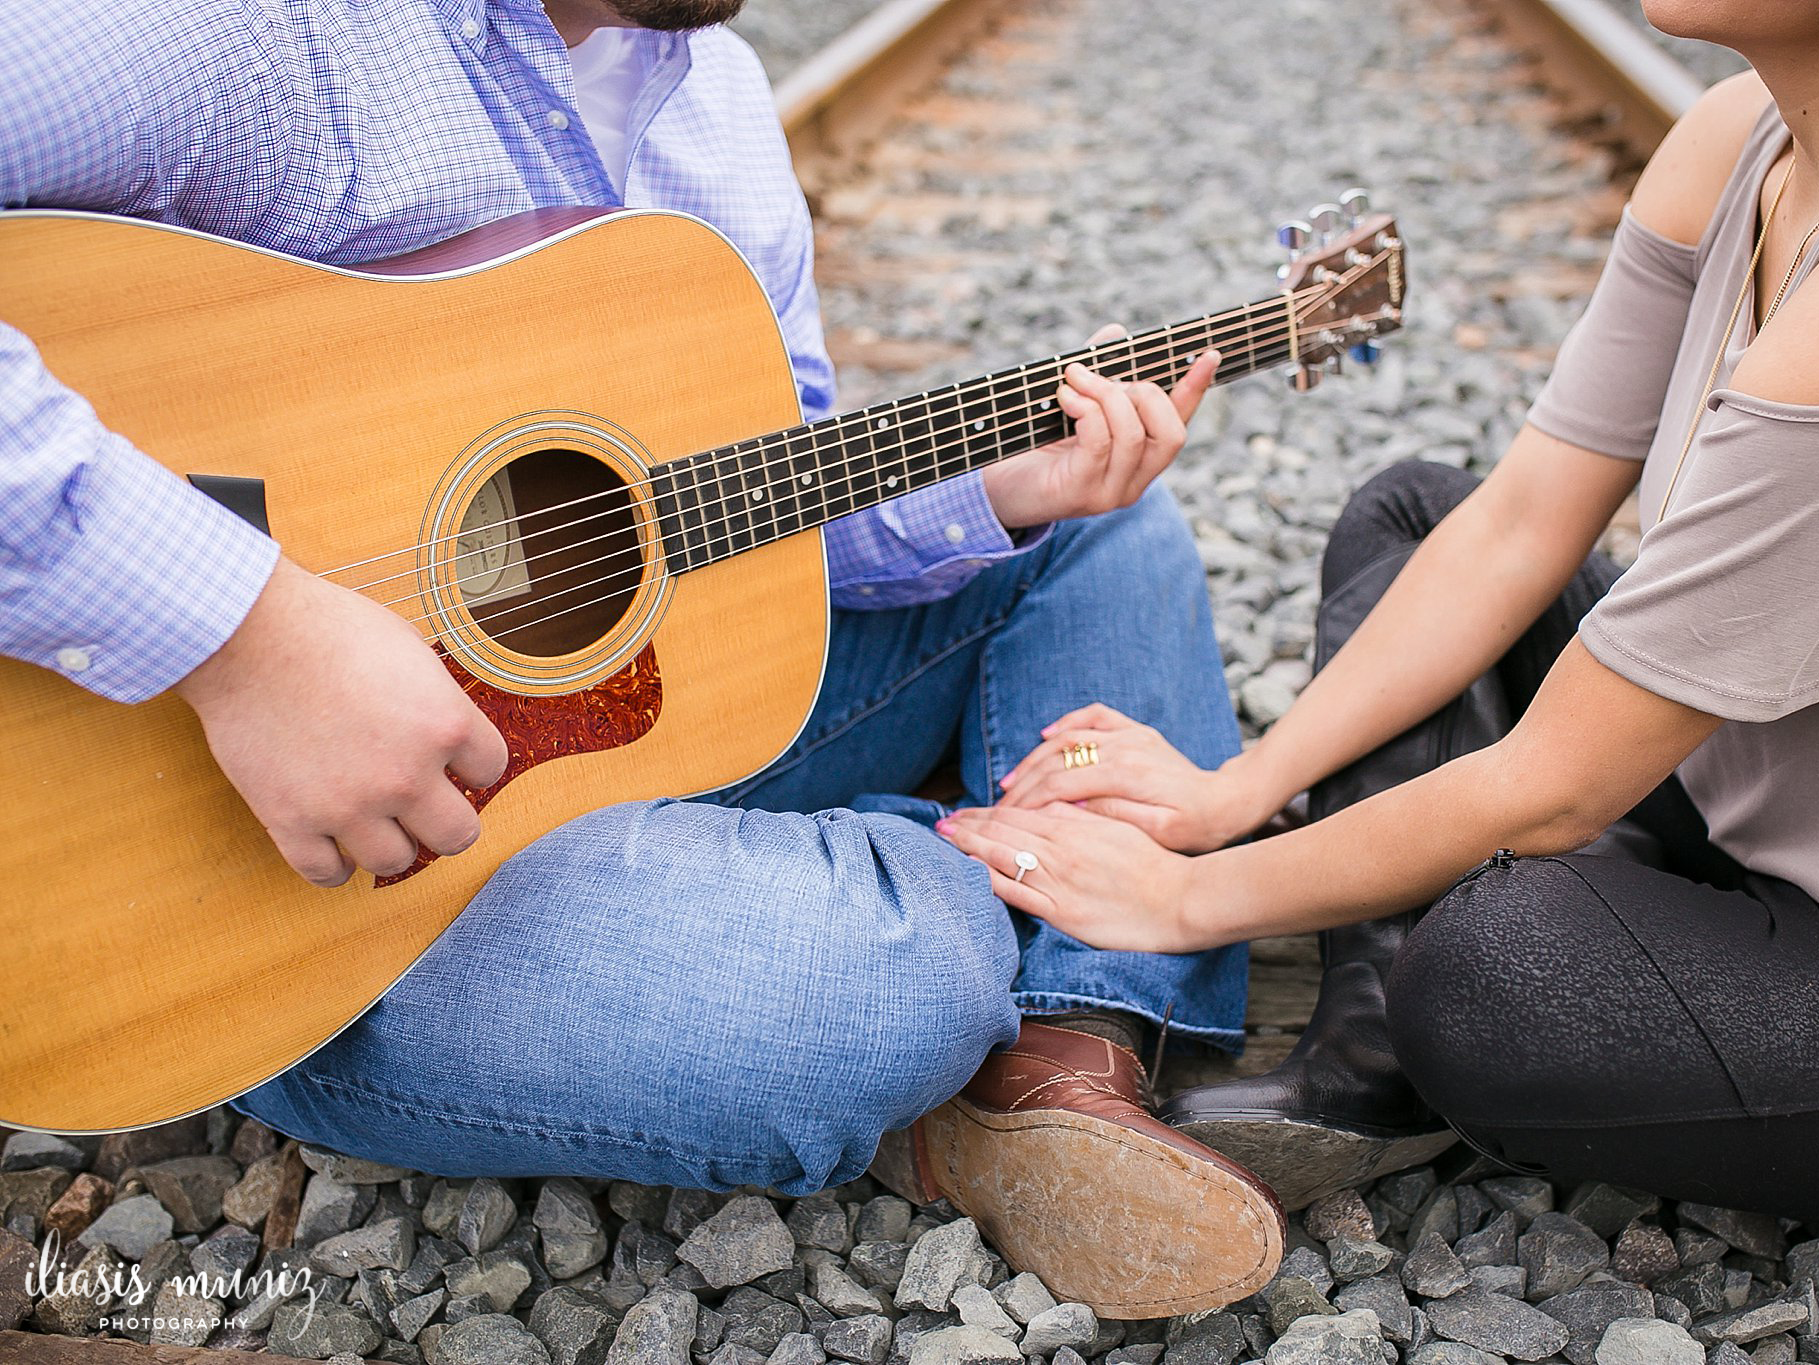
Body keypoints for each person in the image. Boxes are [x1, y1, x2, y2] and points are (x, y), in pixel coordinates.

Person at [0, 0, 1287, 1312]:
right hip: (298, 892)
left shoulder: (716, 104)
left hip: (601, 728)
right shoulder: (251, 29)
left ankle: (1071, 1061)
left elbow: (728, 499)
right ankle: (1004, 911)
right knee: (899, 974)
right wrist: (241, 632)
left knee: (1099, 537)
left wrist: (994, 490)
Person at [941, 0, 1819, 1247]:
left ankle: (1415, 1009)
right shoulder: (1739, 142)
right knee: (1412, 515)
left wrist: (1181, 900)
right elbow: (1519, 521)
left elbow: (1551, 789)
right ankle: (1362, 1058)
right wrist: (1237, 790)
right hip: (1759, 795)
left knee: (1490, 979)